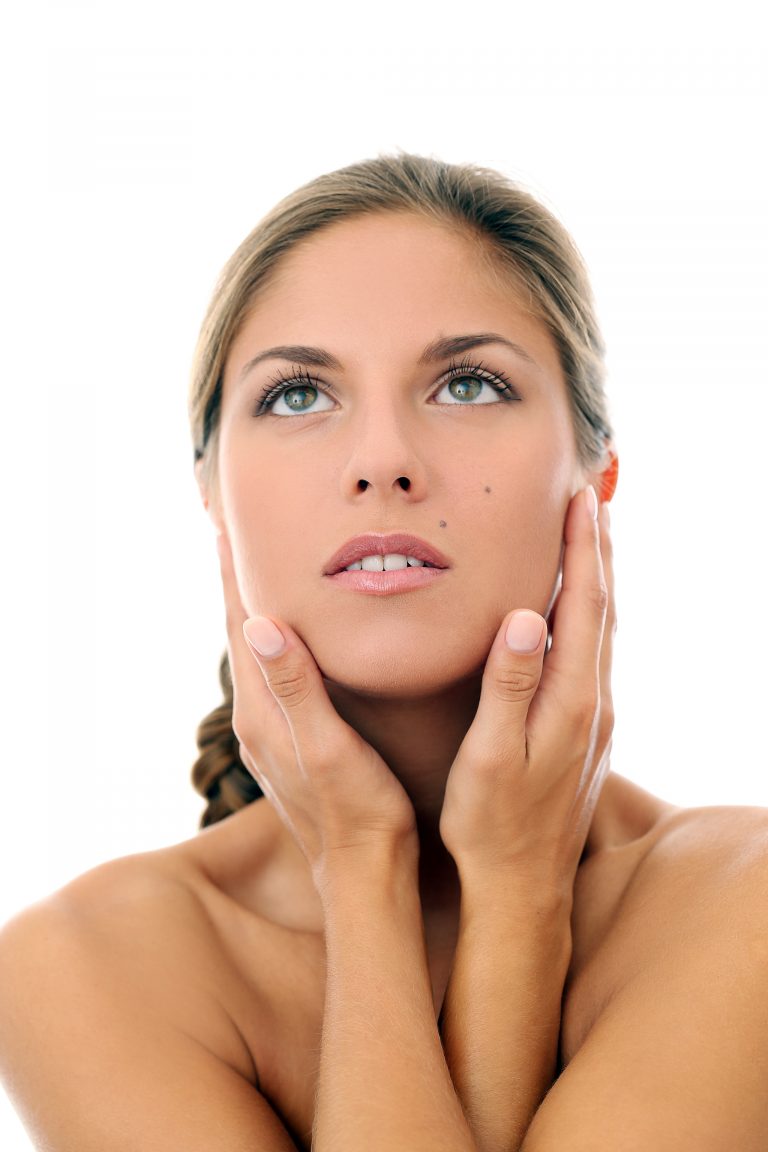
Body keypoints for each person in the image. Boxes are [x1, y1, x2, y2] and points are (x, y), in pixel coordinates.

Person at [1, 153, 766, 1152]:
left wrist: (518, 895)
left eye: (469, 384)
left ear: (595, 476)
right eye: (296, 397)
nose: (383, 462)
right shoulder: (83, 963)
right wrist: (363, 870)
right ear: (211, 497)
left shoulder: (743, 901)